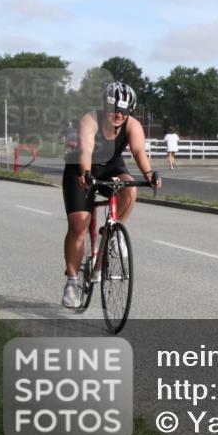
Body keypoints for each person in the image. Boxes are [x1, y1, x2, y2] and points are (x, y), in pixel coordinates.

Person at [60, 82, 161, 308]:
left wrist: (149, 173)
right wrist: (85, 173)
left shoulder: (132, 125)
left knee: (130, 188)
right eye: (114, 109)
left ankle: (114, 232)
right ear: (104, 107)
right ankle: (72, 281)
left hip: (111, 168)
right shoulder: (90, 119)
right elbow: (85, 150)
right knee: (79, 225)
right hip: (81, 168)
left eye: (124, 111)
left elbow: (137, 152)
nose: (118, 115)